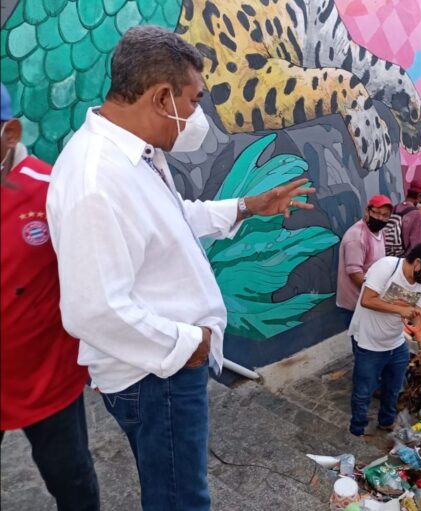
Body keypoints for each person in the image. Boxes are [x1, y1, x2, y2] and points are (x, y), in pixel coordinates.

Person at [45, 26, 314, 510]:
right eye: (194, 101)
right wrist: (189, 344)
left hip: (166, 367)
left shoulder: (136, 154)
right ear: (161, 96)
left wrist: (247, 206)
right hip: (157, 376)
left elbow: (171, 219)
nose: (197, 117)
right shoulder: (96, 181)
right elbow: (91, 310)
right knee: (181, 501)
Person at [1, 84, 100, 510]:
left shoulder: (50, 189)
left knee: (71, 481)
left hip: (47, 381)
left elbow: (91, 276)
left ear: (11, 133)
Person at [348, 241, 421, 436]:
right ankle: (357, 429)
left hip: (396, 342)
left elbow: (417, 315)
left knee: (393, 389)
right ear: (417, 262)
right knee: (363, 392)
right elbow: (367, 299)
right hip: (369, 342)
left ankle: (386, 422)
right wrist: (401, 309)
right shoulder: (386, 267)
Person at [336, 194, 393, 327]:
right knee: (363, 345)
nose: (380, 218)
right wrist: (378, 293)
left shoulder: (379, 232)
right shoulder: (357, 237)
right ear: (367, 211)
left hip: (370, 301)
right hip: (356, 306)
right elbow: (355, 274)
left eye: (385, 215)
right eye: (377, 213)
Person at [383, 178, 421, 257]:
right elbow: (417, 247)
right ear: (419, 196)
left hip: (387, 258)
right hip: (403, 261)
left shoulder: (396, 207)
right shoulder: (417, 215)